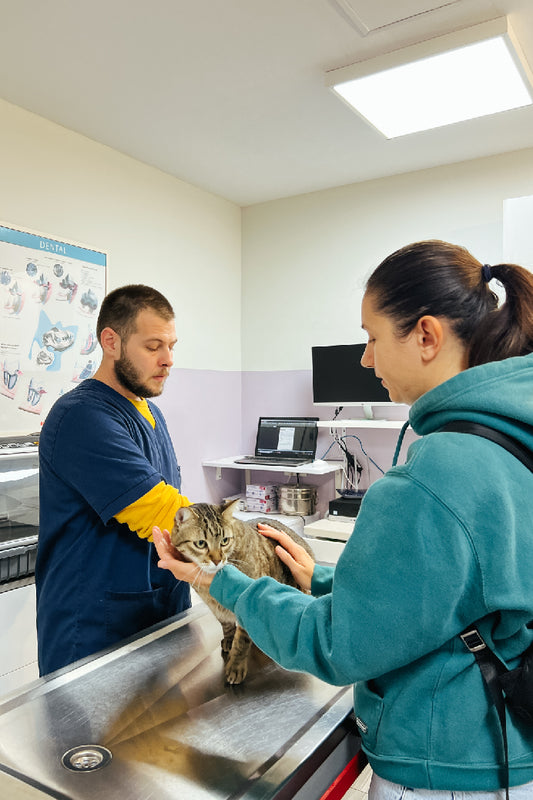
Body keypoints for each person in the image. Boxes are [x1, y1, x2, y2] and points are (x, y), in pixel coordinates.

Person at [153, 240, 533, 798]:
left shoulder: (434, 477)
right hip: (504, 742)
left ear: (426, 336)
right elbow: (460, 594)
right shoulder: (511, 440)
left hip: (444, 765)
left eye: (372, 338)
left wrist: (218, 580)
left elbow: (336, 645)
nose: (365, 359)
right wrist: (329, 580)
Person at [36, 284, 191, 676]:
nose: (168, 360)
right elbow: (162, 511)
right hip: (95, 627)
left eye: (172, 346)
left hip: (158, 609)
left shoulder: (150, 414)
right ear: (111, 342)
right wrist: (245, 550)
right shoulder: (82, 416)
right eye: (153, 346)